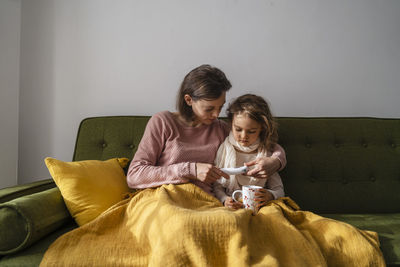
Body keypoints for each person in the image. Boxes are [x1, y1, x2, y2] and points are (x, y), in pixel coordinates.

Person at [127, 64, 286, 197]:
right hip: (165, 198)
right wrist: (191, 170)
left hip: (205, 203)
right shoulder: (162, 122)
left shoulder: (221, 129)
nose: (217, 115)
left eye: (220, 107)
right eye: (209, 109)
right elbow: (135, 175)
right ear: (189, 100)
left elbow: (268, 145)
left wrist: (276, 161)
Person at [213, 94, 284, 210]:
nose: (243, 136)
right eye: (238, 129)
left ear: (262, 128)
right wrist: (224, 199)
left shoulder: (265, 155)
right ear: (231, 124)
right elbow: (217, 185)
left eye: (251, 131)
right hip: (232, 208)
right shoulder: (224, 149)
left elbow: (279, 190)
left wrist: (270, 195)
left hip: (259, 207)